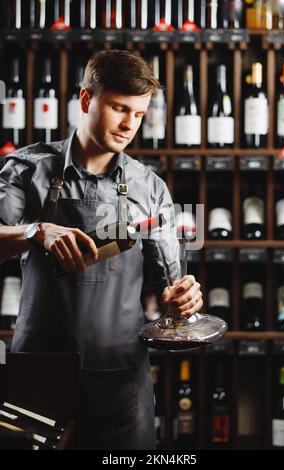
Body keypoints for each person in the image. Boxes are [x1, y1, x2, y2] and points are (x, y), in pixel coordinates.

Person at [0, 50, 203, 450]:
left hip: (121, 379)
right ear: (87, 100)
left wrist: (183, 300)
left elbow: (168, 289)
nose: (130, 125)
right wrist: (34, 232)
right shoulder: (26, 169)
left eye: (140, 115)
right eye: (119, 108)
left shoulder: (150, 188)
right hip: (40, 372)